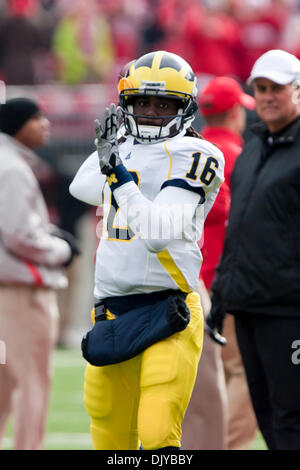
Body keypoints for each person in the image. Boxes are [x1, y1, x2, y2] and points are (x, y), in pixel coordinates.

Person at [69, 50, 225, 450]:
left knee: (157, 435)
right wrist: (110, 150)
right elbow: (81, 187)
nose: (152, 112)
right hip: (112, 309)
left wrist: (118, 173)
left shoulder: (196, 154)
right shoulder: (125, 145)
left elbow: (158, 232)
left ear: (184, 107)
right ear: (126, 105)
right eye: (142, 102)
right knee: (110, 435)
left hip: (167, 308)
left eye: (163, 104)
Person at [206, 49, 300, 450]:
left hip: (289, 311)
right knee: (267, 418)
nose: (267, 96)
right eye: (260, 88)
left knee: (292, 417)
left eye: (277, 88)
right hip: (248, 307)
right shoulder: (253, 150)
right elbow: (238, 233)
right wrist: (222, 299)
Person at [182, 76, 257, 450]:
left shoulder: (187, 153)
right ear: (234, 112)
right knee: (243, 370)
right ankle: (224, 444)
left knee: (198, 377)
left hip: (190, 278)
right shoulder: (240, 156)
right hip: (228, 280)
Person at [0, 97, 79, 450]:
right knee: (31, 381)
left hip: (8, 288)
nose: (45, 123)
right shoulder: (12, 168)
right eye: (36, 117)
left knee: (4, 381)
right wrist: (61, 249)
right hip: (21, 290)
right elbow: (19, 235)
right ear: (17, 124)